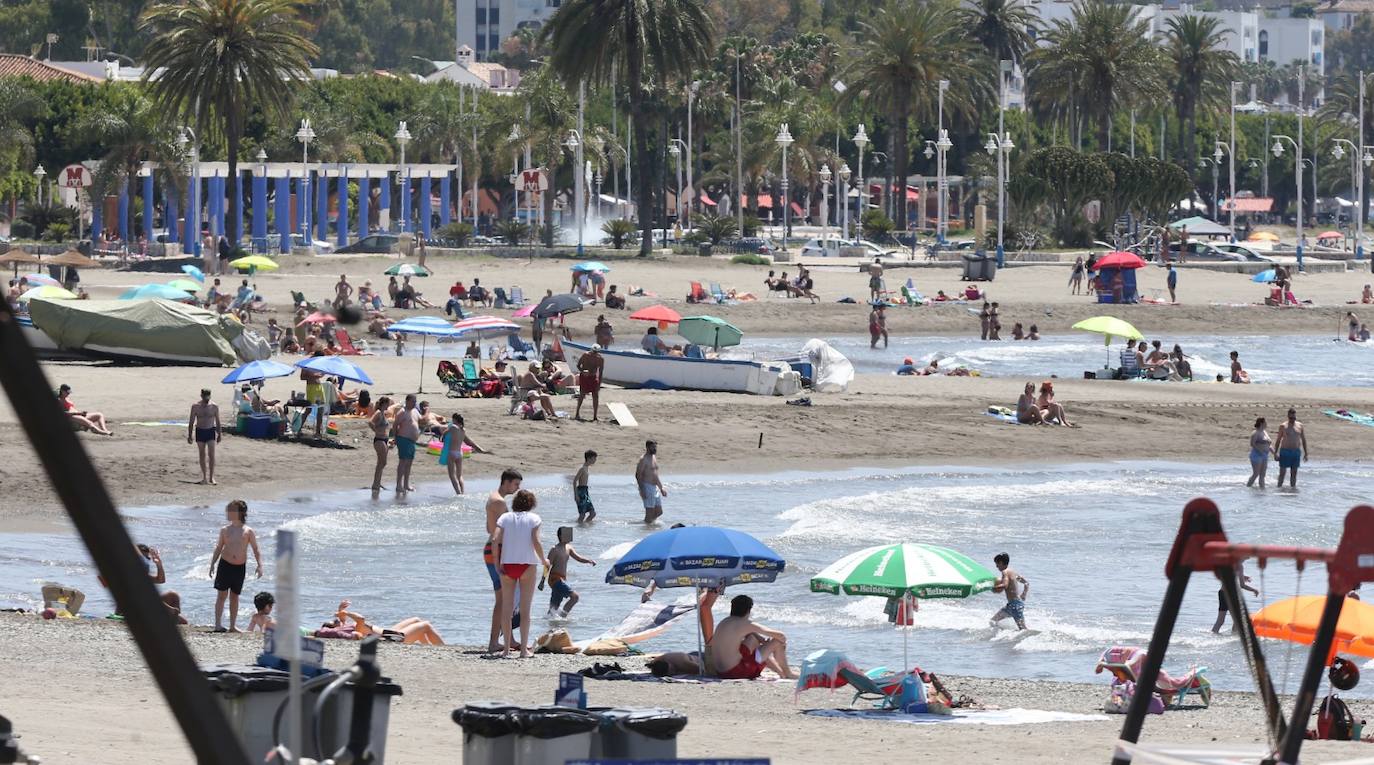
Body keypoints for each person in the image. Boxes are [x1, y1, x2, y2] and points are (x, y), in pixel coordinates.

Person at [493, 489, 546, 658]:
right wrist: (544, 560)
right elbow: (536, 541)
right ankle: (523, 650)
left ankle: (506, 650)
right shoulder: (534, 518)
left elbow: (495, 540)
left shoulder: (505, 518)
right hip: (527, 565)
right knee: (525, 609)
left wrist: (497, 563)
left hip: (507, 565)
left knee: (507, 609)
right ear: (531, 504)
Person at [709, 595, 794, 679]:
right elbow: (781, 635)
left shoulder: (724, 621)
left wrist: (762, 640)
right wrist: (776, 644)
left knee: (752, 638)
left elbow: (750, 633)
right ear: (748, 610)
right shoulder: (745, 623)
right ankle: (788, 673)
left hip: (721, 672)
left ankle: (780, 672)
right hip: (737, 672)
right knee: (777, 642)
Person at [209, 499, 262, 633]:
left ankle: (233, 626)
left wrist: (259, 565)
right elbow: (219, 547)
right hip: (225, 565)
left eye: (231, 510)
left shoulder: (248, 531)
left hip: (239, 567)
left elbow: (256, 549)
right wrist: (212, 564)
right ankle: (218, 624)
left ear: (240, 512)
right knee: (221, 596)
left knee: (235, 596)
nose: (228, 512)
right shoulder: (225, 530)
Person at [484, 469, 523, 652]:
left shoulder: (493, 498)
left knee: (506, 598)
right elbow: (502, 532)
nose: (517, 488)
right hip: (496, 551)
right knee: (502, 599)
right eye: (516, 484)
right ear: (506, 482)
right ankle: (493, 642)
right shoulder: (499, 502)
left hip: (493, 549)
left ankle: (510, 638)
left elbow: (488, 528)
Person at [316, 600, 445, 645]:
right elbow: (361, 619)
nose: (336, 620)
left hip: (388, 632)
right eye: (334, 621)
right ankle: (441, 649)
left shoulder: (345, 627)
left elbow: (343, 624)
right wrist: (346, 613)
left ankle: (428, 647)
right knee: (426, 626)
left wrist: (341, 612)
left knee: (416, 620)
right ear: (334, 627)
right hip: (391, 638)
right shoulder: (353, 630)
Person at [546, 526, 596, 617]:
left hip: (562, 578)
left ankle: (550, 621)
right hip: (555, 579)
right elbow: (547, 566)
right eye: (567, 534)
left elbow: (578, 558)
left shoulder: (569, 548)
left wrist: (589, 560)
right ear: (560, 536)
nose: (570, 536)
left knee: (553, 608)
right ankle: (563, 617)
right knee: (575, 597)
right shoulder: (554, 549)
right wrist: (542, 581)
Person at [443, 414, 487, 495]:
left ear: (455, 420)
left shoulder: (453, 427)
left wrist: (443, 436)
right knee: (459, 475)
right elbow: (467, 441)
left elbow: (444, 433)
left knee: (452, 475)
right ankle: (462, 493)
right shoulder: (463, 430)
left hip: (452, 453)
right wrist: (478, 448)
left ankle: (458, 493)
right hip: (460, 453)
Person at [1212, 561, 1260, 633]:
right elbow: (1242, 585)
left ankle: (1213, 635)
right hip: (1231, 594)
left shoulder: (1230, 563)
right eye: (1248, 556)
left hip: (1222, 593)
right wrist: (1254, 590)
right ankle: (1234, 636)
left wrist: (1242, 576)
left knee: (1220, 621)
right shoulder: (1239, 565)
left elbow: (1229, 574)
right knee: (1238, 619)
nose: (1249, 557)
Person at [188, 388, 222, 485]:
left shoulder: (214, 406)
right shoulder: (195, 406)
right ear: (201, 396)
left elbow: (218, 421)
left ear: (210, 396)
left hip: (210, 431)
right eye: (204, 396)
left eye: (208, 396)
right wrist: (190, 435)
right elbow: (191, 421)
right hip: (200, 431)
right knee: (202, 454)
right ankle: (204, 478)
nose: (206, 398)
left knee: (211, 455)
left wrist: (219, 434)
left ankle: (211, 477)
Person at [990, 552, 1030, 631]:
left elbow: (1005, 585)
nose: (996, 566)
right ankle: (1004, 635)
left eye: (997, 564)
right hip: (1011, 605)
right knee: (993, 621)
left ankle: (1036, 638)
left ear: (1001, 562)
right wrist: (1024, 594)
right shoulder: (1013, 572)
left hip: (1015, 605)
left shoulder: (1005, 572)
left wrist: (993, 588)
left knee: (1023, 629)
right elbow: (1026, 583)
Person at [391, 394, 421, 496]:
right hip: (403, 439)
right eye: (413, 401)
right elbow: (395, 425)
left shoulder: (415, 411)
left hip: (412, 441)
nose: (414, 403)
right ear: (407, 401)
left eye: (415, 402)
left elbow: (421, 420)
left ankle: (406, 484)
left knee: (409, 462)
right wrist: (395, 438)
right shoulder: (402, 412)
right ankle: (398, 485)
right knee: (403, 462)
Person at [1274, 408, 1308, 489]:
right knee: (1282, 473)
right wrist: (1275, 453)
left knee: (1294, 473)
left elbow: (1303, 440)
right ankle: (1278, 490)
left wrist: (1306, 453)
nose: (1292, 419)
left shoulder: (1300, 425)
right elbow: (1278, 440)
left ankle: (1293, 490)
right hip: (1285, 451)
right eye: (1291, 418)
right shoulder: (1283, 426)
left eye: (1294, 418)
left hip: (1296, 452)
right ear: (1288, 417)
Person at [636, 440, 668, 523]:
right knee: (649, 513)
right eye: (653, 447)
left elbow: (655, 475)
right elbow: (638, 475)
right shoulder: (643, 459)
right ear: (647, 447)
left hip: (655, 487)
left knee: (659, 512)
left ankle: (647, 524)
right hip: (647, 487)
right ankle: (647, 524)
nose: (655, 449)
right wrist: (642, 489)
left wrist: (661, 488)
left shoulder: (653, 457)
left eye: (655, 447)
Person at [368, 396, 392, 497]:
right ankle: (375, 484)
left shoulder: (383, 413)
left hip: (384, 440)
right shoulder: (378, 412)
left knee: (381, 463)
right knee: (382, 462)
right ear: (384, 403)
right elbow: (370, 422)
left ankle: (377, 482)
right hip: (379, 440)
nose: (389, 405)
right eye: (388, 403)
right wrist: (376, 431)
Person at [574, 344, 604, 421]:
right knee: (582, 394)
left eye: (596, 352)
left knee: (595, 395)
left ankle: (595, 416)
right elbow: (578, 365)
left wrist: (599, 384)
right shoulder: (585, 355)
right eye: (593, 351)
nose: (594, 353)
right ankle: (577, 413)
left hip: (593, 377)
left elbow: (601, 372)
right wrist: (582, 371)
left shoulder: (600, 359)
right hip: (584, 377)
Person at [1247, 416, 1272, 489]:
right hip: (1257, 455)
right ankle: (1248, 487)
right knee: (1256, 473)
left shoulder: (1264, 432)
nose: (1266, 424)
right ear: (1261, 423)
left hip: (1265, 455)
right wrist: (1260, 451)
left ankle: (1262, 490)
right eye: (1265, 422)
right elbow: (1252, 444)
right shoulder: (1255, 433)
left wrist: (1274, 453)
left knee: (1262, 475)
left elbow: (1268, 444)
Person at [573, 450, 597, 521]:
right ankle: (578, 525)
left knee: (592, 514)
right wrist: (576, 495)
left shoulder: (587, 468)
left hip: (585, 492)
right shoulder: (582, 469)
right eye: (594, 458)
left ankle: (584, 525)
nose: (595, 460)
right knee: (582, 515)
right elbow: (574, 481)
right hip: (580, 492)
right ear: (589, 458)